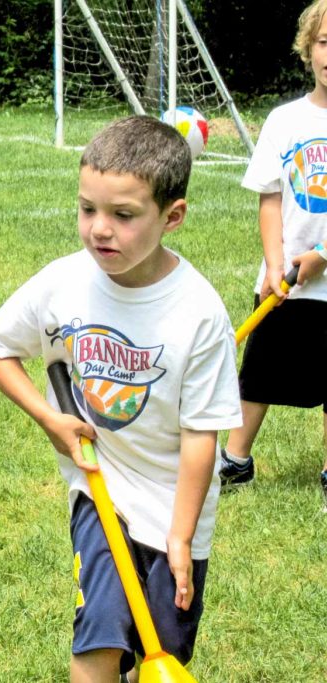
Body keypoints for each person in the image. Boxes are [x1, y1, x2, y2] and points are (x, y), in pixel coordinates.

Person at [0, 116, 242, 682]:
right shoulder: (62, 283)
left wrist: (180, 536)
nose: (100, 229)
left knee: (159, 654)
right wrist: (50, 418)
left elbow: (202, 439)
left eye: (123, 215)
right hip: (101, 494)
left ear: (173, 216)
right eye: (87, 209)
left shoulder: (199, 314)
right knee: (97, 640)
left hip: (175, 506)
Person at [218, 0, 327, 506]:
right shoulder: (284, 120)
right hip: (284, 280)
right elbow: (270, 197)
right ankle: (234, 460)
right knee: (259, 371)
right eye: (324, 43)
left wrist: (322, 255)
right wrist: (276, 261)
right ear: (308, 50)